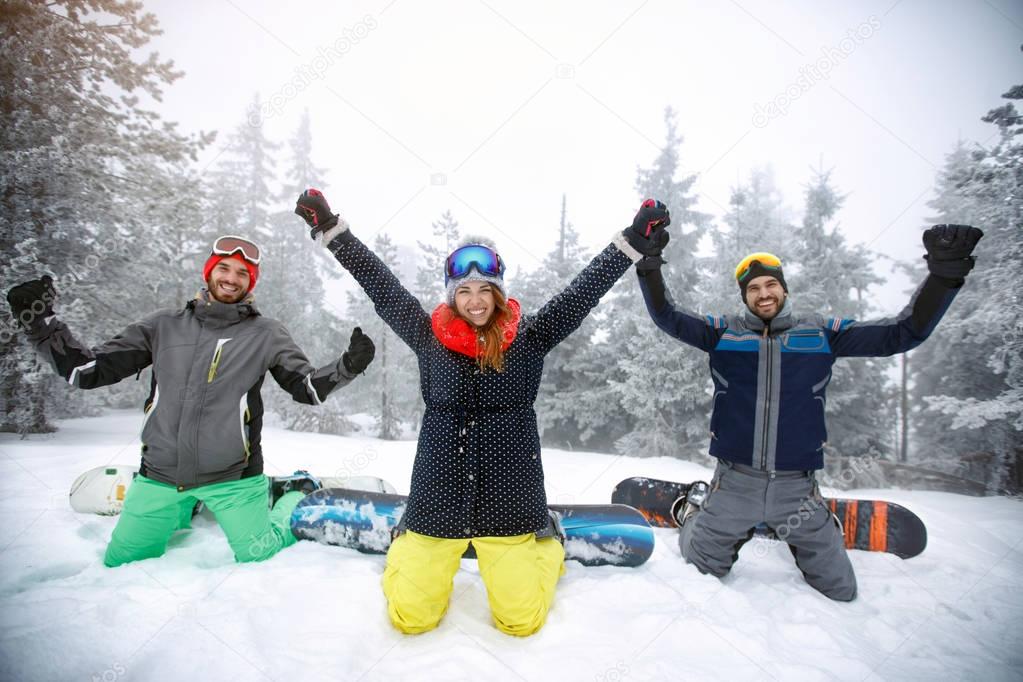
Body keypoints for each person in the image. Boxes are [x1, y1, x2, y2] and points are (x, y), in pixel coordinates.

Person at [294, 189, 668, 636]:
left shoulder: (530, 337)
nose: (475, 300)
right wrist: (331, 230)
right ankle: (405, 537)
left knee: (520, 622)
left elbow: (581, 294)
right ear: (453, 296)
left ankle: (548, 541)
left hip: (509, 501)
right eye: (464, 291)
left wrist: (629, 242)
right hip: (437, 501)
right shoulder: (427, 335)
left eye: (484, 290)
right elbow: (382, 285)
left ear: (497, 292)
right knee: (410, 619)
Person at [634, 224, 984, 601]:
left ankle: (820, 524)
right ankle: (694, 513)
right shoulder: (723, 333)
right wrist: (649, 265)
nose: (763, 294)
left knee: (841, 590)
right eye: (753, 289)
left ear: (784, 289)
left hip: (796, 489)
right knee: (700, 569)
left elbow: (903, 332)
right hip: (735, 484)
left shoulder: (820, 333)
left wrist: (944, 275)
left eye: (770, 285)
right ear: (744, 297)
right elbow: (667, 315)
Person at [5, 235, 376, 567]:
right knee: (120, 563)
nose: (231, 278)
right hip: (160, 477)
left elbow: (305, 388)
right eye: (225, 269)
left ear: (251, 283)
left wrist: (347, 367)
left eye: (242, 274)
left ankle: (294, 496)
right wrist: (39, 324)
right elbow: (87, 371)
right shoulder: (162, 325)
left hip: (233, 477)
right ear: (210, 272)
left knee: (259, 554)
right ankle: (189, 504)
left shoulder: (267, 334)